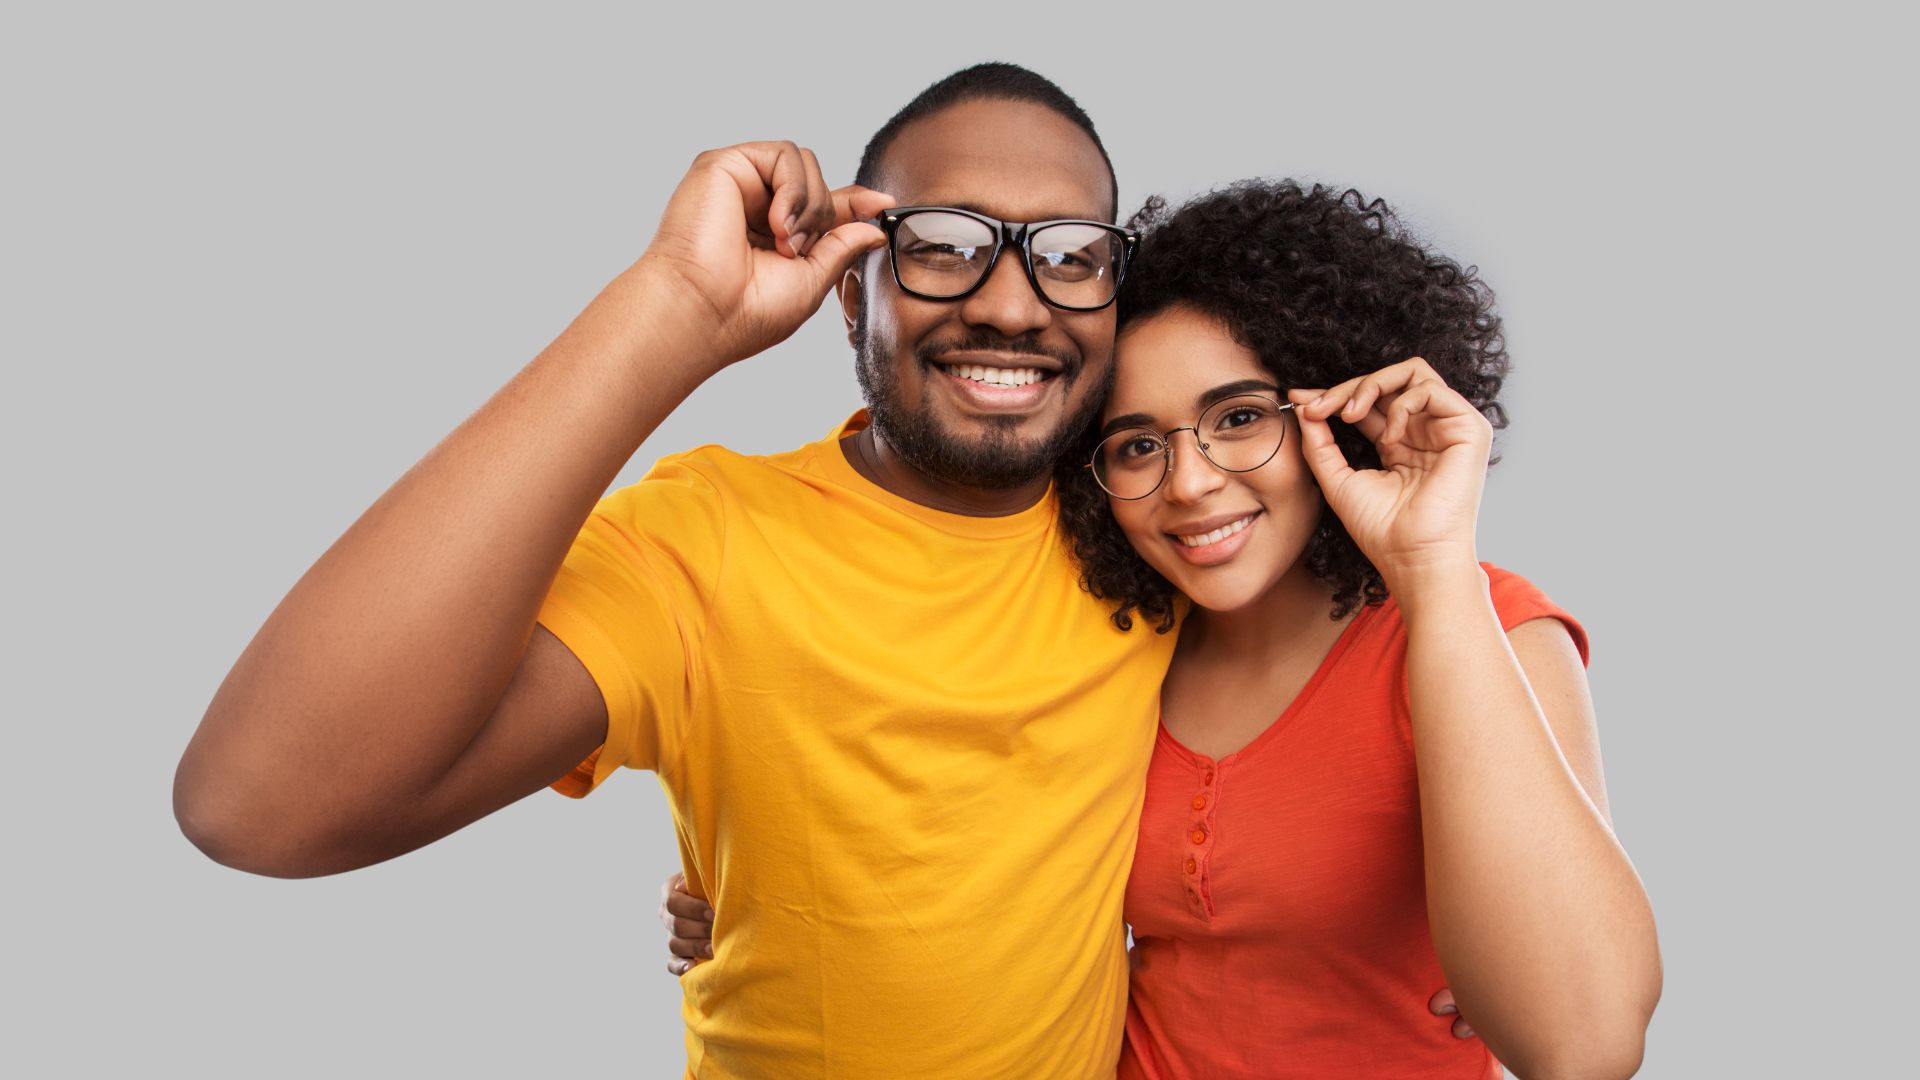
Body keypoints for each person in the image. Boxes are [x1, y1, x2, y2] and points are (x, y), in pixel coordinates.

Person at [175, 63, 1172, 1079]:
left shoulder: (1161, 535)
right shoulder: (711, 542)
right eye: (944, 247)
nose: (1013, 304)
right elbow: (257, 804)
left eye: (1073, 255)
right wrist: (679, 303)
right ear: (848, 285)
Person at [664, 181, 1663, 1077]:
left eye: (1238, 419)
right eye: (1137, 444)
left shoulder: (1481, 627)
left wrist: (1432, 568)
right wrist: (756, 889)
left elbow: (1581, 1045)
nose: (1187, 485)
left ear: (1337, 406)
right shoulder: (1123, 635)